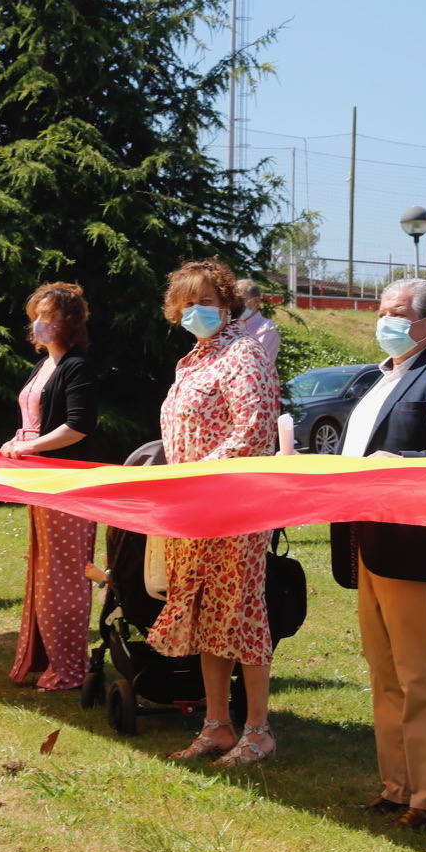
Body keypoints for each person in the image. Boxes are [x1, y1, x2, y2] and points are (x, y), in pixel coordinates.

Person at [328, 278, 426, 832]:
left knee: (424, 676)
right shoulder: (380, 377)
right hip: (367, 542)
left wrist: (404, 462)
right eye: (381, 312)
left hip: (416, 545)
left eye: (396, 313)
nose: (384, 322)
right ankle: (398, 787)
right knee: (385, 673)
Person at [152, 258, 280, 767]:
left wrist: (201, 476)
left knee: (241, 614)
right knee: (206, 613)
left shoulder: (243, 353)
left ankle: (258, 732)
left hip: (234, 507)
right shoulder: (191, 362)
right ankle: (216, 725)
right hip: (192, 510)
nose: (195, 311)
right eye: (187, 303)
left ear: (226, 304)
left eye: (205, 301)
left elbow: (254, 428)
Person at [0, 282, 100, 690]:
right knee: (44, 571)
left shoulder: (77, 366)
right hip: (39, 479)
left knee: (65, 575)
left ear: (70, 322)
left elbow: (78, 426)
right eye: (36, 316)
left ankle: (70, 667)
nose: (38, 324)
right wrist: (18, 443)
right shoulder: (43, 366)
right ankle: (45, 658)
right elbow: (32, 421)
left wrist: (29, 447)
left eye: (48, 316)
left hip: (66, 482)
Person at [235, 278, 280, 363]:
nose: (235, 304)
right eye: (232, 300)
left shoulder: (267, 328)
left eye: (240, 300)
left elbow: (253, 362)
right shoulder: (229, 324)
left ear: (256, 301)